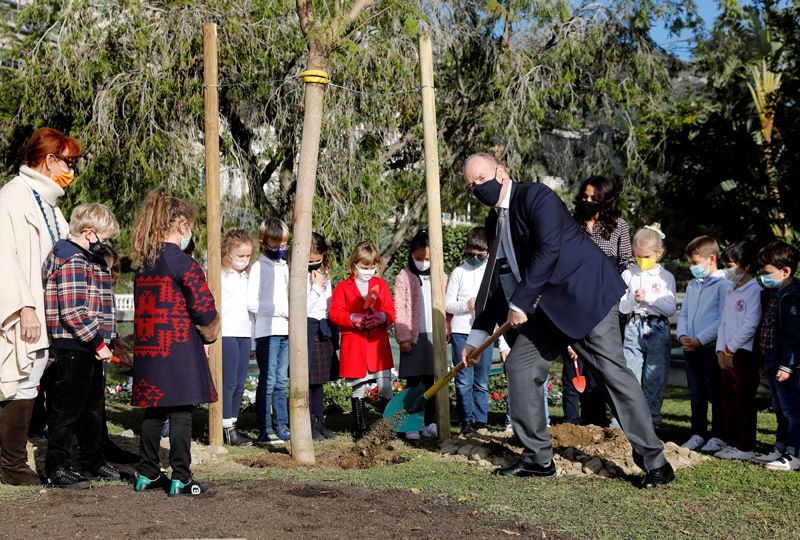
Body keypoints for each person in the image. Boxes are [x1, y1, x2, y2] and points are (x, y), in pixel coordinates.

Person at [461, 153, 672, 488]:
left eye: (482, 178)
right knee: (520, 366)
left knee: (611, 375)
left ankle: (656, 462)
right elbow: (498, 280)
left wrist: (522, 300)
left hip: (587, 298)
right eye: (471, 184)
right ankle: (537, 459)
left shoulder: (536, 197)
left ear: (500, 172)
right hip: (547, 311)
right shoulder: (493, 222)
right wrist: (477, 335)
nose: (477, 187)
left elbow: (549, 251)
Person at [0, 127, 78, 485]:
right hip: (25, 305)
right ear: (48, 161)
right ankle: (12, 465)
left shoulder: (47, 202)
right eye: (67, 161)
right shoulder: (13, 198)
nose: (71, 168)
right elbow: (5, 257)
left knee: (30, 379)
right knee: (15, 378)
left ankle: (13, 462)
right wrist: (24, 306)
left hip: (47, 308)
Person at [130, 188, 220, 496]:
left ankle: (147, 473)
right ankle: (181, 476)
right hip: (178, 346)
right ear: (181, 224)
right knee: (181, 411)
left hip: (149, 348)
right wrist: (211, 331)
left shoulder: (143, 262)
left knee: (153, 412)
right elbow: (204, 308)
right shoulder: (182, 262)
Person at [42, 204, 120, 488]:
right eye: (105, 238)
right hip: (75, 344)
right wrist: (98, 342)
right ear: (89, 233)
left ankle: (93, 461)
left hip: (88, 343)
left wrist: (110, 338)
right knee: (66, 410)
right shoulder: (72, 260)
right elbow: (73, 311)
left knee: (91, 408)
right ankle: (57, 467)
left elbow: (97, 304)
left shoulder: (88, 258)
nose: (106, 244)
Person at [565, 175, 633, 426]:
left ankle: (603, 421)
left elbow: (626, 261)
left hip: (606, 301)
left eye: (594, 198)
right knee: (574, 366)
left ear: (606, 200)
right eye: (585, 197)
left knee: (604, 364)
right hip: (576, 300)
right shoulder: (572, 225)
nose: (588, 202)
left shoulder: (618, 227)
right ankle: (575, 423)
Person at [330, 241, 395, 440]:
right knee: (359, 386)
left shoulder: (381, 285)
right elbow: (335, 313)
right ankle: (360, 427)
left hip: (377, 344)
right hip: (355, 344)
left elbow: (391, 312)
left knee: (385, 385)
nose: (368, 271)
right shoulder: (343, 287)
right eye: (364, 267)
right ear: (354, 265)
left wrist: (381, 317)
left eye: (372, 267)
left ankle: (388, 427)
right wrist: (352, 318)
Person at [677, 236, 732, 453]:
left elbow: (722, 318)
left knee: (715, 394)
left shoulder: (724, 285)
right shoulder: (693, 284)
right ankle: (697, 433)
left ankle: (718, 435)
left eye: (694, 263)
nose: (692, 267)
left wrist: (701, 339)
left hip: (709, 349)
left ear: (711, 259)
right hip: (691, 348)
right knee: (696, 394)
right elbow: (685, 313)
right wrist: (682, 335)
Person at [619, 224, 676, 426]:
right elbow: (623, 307)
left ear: (659, 253)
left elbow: (669, 309)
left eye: (646, 256)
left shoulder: (666, 277)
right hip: (634, 325)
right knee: (630, 374)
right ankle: (628, 418)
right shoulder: (628, 274)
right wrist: (634, 300)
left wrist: (649, 299)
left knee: (655, 376)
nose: (642, 261)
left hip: (658, 328)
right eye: (638, 256)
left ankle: (652, 418)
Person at [394, 230, 447, 440]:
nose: (423, 263)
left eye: (427, 259)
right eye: (418, 259)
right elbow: (400, 307)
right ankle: (411, 424)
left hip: (434, 336)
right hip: (414, 339)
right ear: (411, 255)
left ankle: (430, 423)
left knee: (432, 382)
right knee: (414, 383)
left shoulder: (441, 277)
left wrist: (446, 332)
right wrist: (404, 336)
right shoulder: (404, 277)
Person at [712, 241, 762, 461]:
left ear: (747, 266)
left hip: (743, 353)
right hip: (727, 352)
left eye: (731, 265)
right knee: (727, 400)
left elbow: (751, 324)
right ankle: (731, 441)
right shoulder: (732, 288)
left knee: (743, 401)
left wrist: (731, 348)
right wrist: (720, 350)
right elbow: (723, 321)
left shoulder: (755, 290)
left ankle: (745, 445)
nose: (727, 270)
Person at [753, 241, 800, 471]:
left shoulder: (793, 297)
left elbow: (794, 335)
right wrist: (764, 361)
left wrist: (788, 364)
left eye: (767, 272)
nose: (763, 276)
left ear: (785, 271)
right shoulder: (772, 295)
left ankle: (794, 453)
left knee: (792, 409)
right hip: (771, 359)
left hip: (787, 364)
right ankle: (780, 448)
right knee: (779, 407)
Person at [247, 218, 291, 446]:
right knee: (269, 379)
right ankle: (264, 428)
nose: (280, 250)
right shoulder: (258, 267)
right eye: (275, 246)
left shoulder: (285, 266)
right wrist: (280, 310)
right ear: (264, 243)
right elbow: (252, 304)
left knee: (282, 381)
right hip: (267, 332)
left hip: (286, 331)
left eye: (284, 245)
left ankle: (281, 425)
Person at [446, 227, 493, 436]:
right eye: (471, 253)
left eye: (480, 255)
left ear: (488, 253)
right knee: (463, 379)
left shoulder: (491, 273)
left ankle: (481, 421)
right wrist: (467, 305)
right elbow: (448, 304)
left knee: (481, 380)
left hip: (485, 333)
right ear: (466, 248)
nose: (474, 258)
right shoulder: (458, 272)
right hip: (461, 331)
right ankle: (466, 420)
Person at [98, 246, 138, 464]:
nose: (111, 274)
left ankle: (101, 444)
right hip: (93, 347)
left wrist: (115, 339)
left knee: (99, 400)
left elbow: (108, 316)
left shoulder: (107, 289)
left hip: (105, 344)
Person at [220, 228, 255, 446]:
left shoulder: (247, 276)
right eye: (240, 256)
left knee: (241, 383)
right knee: (229, 382)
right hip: (226, 333)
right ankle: (225, 426)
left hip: (244, 332)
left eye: (248, 256)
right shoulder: (221, 276)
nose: (244, 260)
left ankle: (233, 422)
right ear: (227, 253)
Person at [306, 232, 338, 441]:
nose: (315, 265)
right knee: (307, 380)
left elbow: (328, 302)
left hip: (323, 328)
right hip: (307, 326)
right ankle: (307, 423)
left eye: (318, 260)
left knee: (319, 381)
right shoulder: (298, 275)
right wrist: (316, 287)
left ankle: (319, 420)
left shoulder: (325, 273)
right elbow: (302, 307)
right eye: (310, 261)